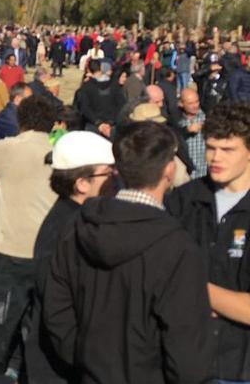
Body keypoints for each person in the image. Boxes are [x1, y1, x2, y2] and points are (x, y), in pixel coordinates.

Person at [44, 121, 214, 384]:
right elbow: (187, 343)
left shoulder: (78, 225)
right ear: (169, 169)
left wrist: (83, 354)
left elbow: (56, 306)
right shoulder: (177, 247)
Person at [0, 95, 59, 378]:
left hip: (10, 253)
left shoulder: (8, 148)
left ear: (21, 120)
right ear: (52, 124)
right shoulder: (57, 152)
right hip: (47, 253)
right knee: (35, 319)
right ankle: (21, 369)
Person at [167, 101, 250, 383]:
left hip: (239, 367)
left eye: (228, 150)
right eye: (211, 147)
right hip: (183, 359)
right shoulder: (183, 200)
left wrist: (193, 291)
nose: (216, 158)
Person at [26, 131, 116, 384]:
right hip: (62, 367)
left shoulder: (79, 219)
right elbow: (57, 306)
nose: (114, 181)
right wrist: (84, 355)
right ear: (82, 183)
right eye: (108, 174)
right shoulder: (67, 229)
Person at [178, 88, 206, 178]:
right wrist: (186, 131)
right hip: (186, 175)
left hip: (204, 173)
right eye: (190, 103)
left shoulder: (207, 119)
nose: (195, 106)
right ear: (181, 104)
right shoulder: (177, 121)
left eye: (196, 101)